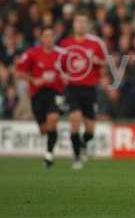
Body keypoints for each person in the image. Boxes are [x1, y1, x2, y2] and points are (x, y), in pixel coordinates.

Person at [59, 12, 108, 169]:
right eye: (78, 22)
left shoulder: (95, 43)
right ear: (74, 25)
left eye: (83, 22)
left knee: (90, 130)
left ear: (87, 25)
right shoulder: (65, 44)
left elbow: (105, 62)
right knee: (75, 119)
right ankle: (77, 157)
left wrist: (97, 61)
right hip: (72, 88)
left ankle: (82, 144)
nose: (80, 25)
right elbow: (59, 64)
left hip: (90, 88)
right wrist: (63, 77)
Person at [15, 27, 64, 168]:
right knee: (44, 129)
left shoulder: (61, 55)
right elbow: (18, 72)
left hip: (55, 93)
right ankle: (49, 141)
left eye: (51, 36)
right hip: (38, 94)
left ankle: (49, 156)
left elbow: (71, 71)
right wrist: (33, 80)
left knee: (53, 119)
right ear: (41, 39)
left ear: (54, 38)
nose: (49, 39)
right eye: (46, 36)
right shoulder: (32, 54)